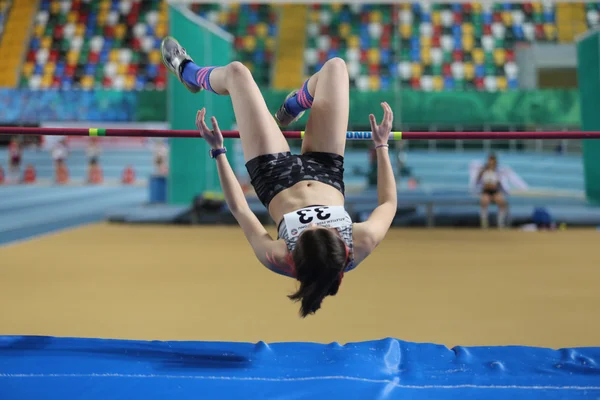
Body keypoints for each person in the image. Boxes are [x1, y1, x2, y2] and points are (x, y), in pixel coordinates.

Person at [161, 36, 397, 317]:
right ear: (341, 245)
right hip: (326, 168)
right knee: (335, 67)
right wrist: (382, 146)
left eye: (306, 230)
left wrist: (219, 152)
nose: (316, 221)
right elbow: (388, 205)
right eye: (329, 228)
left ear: (296, 252)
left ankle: (187, 71)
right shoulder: (363, 239)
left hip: (273, 174)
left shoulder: (277, 257)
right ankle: (292, 107)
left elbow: (240, 209)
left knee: (237, 73)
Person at [476, 153, 508, 228]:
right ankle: (484, 222)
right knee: (484, 201)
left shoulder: (498, 170)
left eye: (493, 161)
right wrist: (481, 173)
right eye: (490, 161)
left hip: (495, 191)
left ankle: (500, 222)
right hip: (486, 191)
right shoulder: (483, 170)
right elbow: (478, 181)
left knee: (501, 202)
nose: (491, 163)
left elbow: (499, 183)